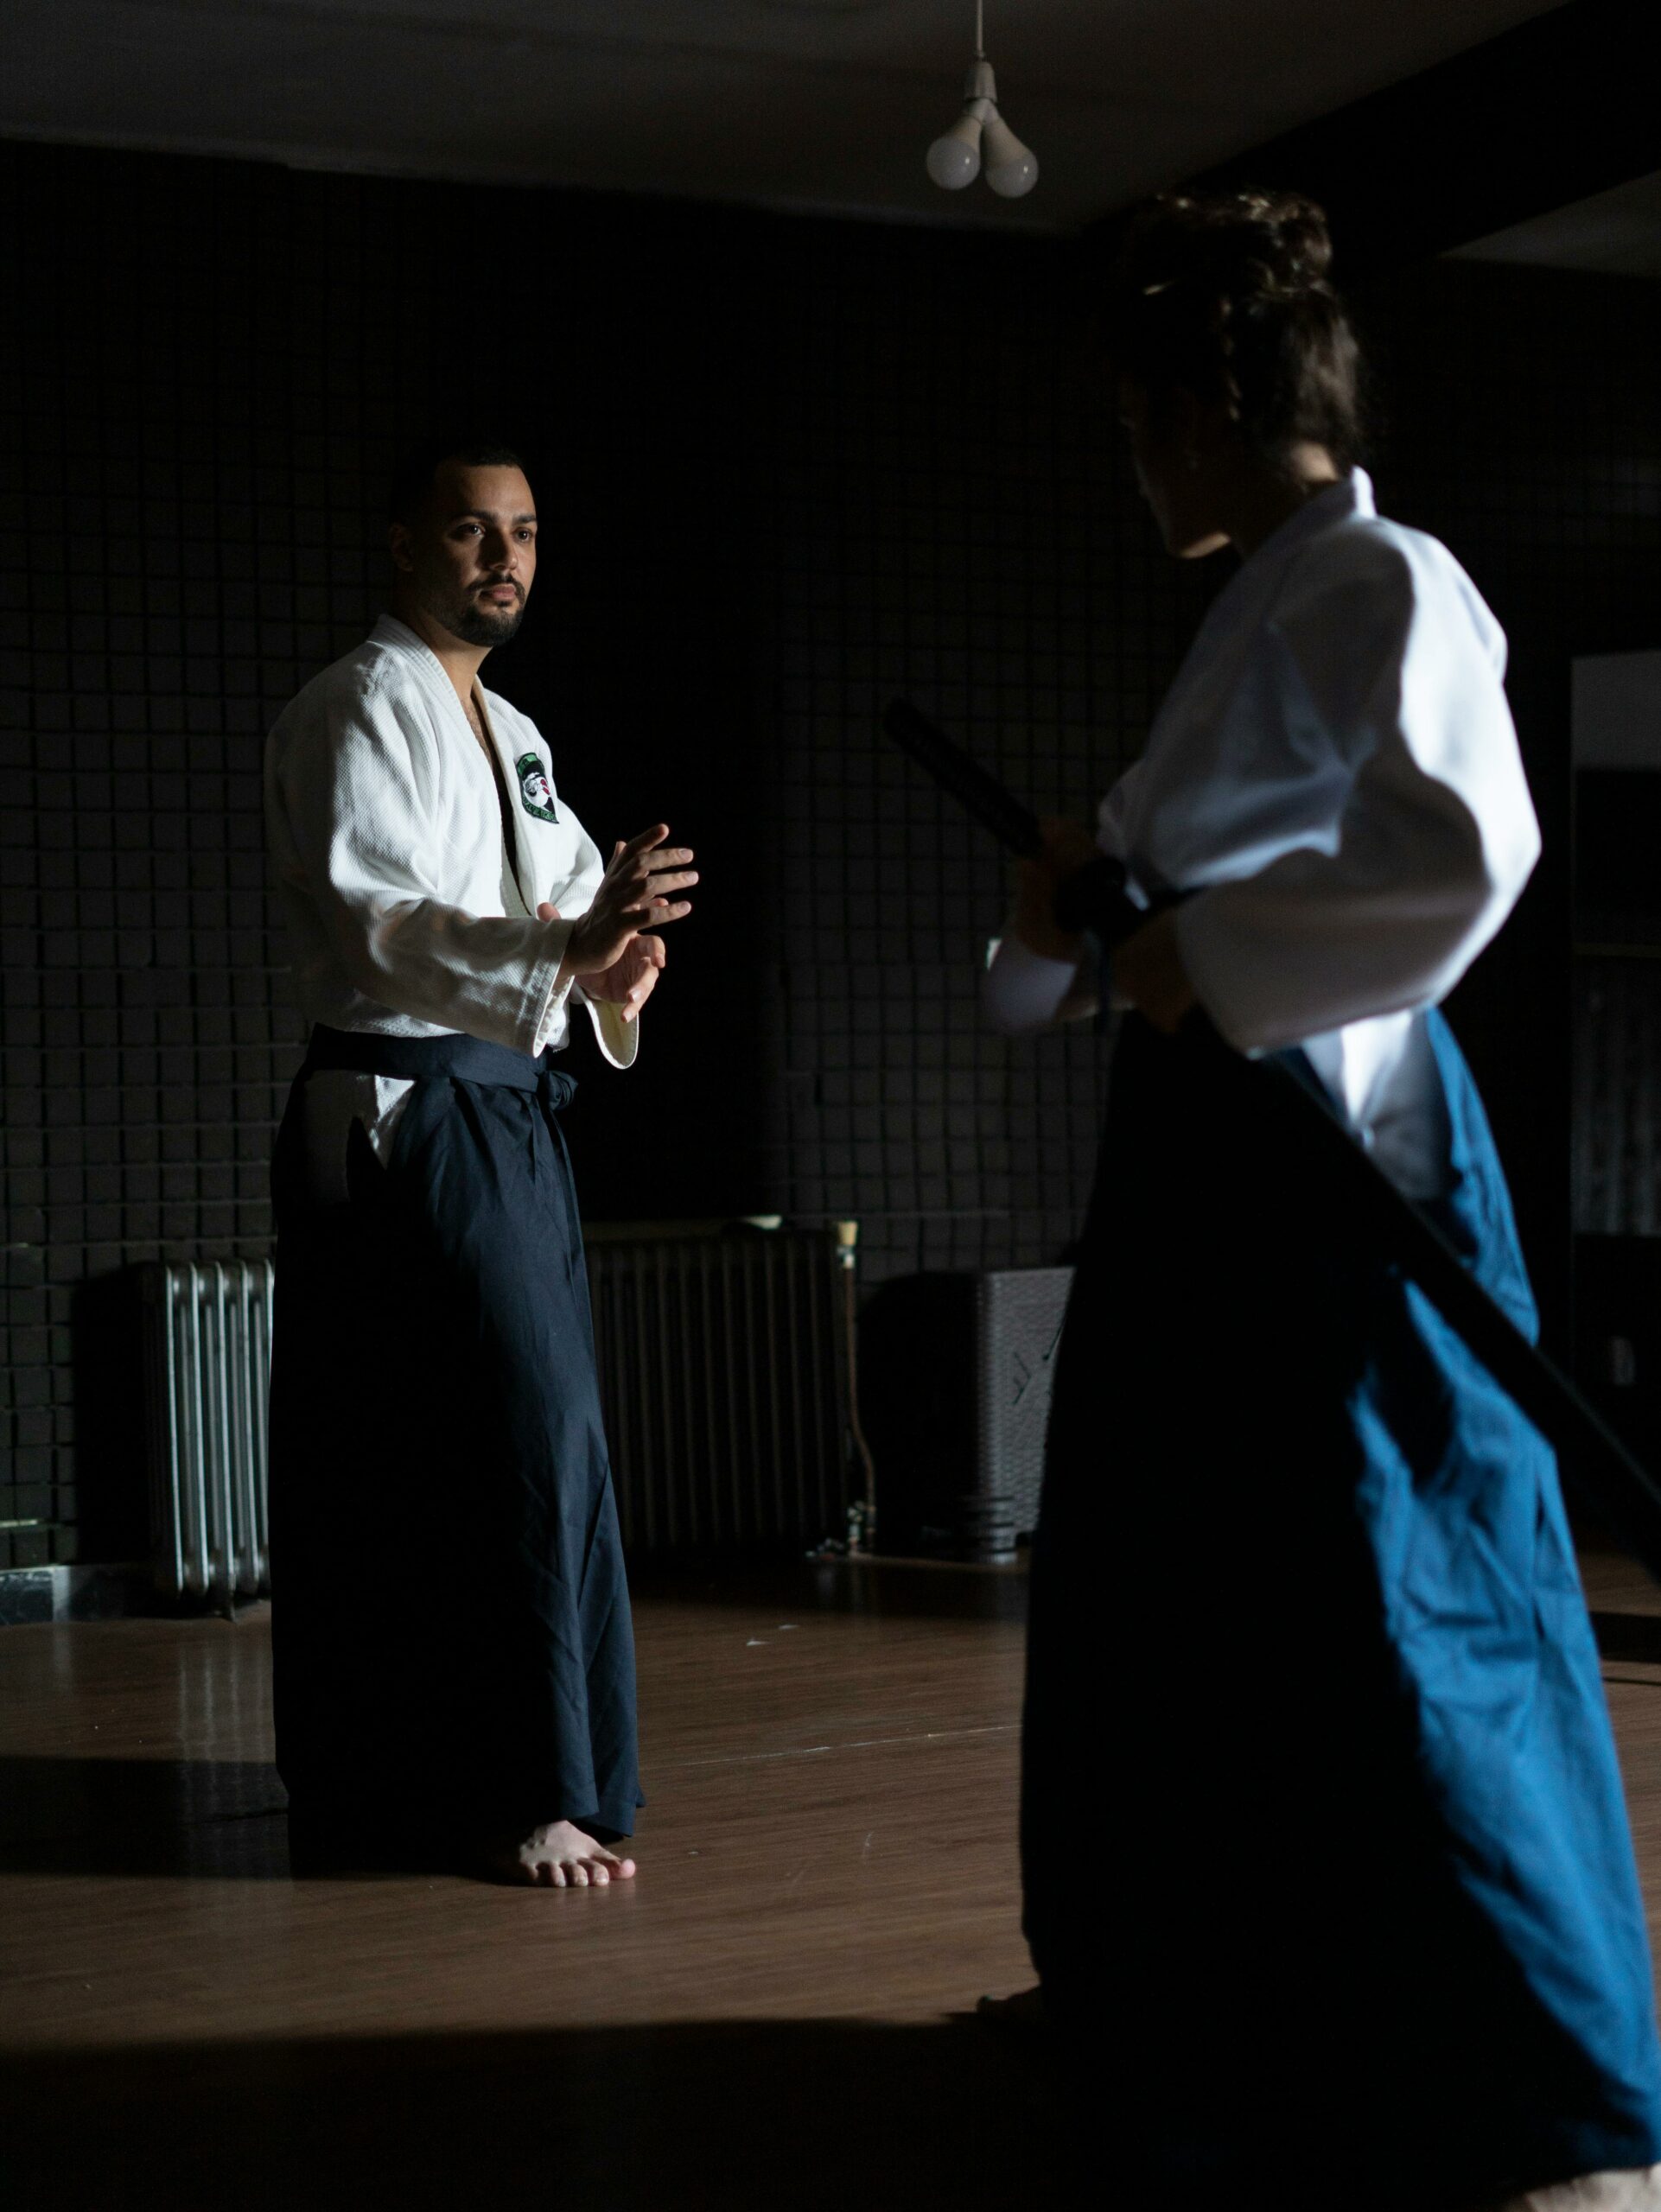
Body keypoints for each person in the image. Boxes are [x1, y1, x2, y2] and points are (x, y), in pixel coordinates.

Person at [983, 193, 1661, 2209]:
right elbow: (1094, 941)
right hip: (1203, 1154)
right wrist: (1075, 914)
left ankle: (1538, 2076)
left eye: (1134, 426)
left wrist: (1212, 952)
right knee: (1198, 1606)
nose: (1132, 471)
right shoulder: (1258, 594)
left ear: (1196, 409)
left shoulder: (1381, 571)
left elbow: (1469, 855)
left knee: (1395, 1593)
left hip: (1324, 1153)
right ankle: (1227, 2013)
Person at [264, 437, 697, 1886]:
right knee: (488, 1437)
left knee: (501, 1436)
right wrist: (561, 951)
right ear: (404, 547)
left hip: (504, 1113)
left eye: (520, 530)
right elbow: (379, 922)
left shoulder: (513, 733)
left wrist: (615, 957)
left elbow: (570, 909)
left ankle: (430, 1770)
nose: (501, 556)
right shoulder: (355, 706)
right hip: (404, 1113)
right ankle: (524, 1781)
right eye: (468, 531)